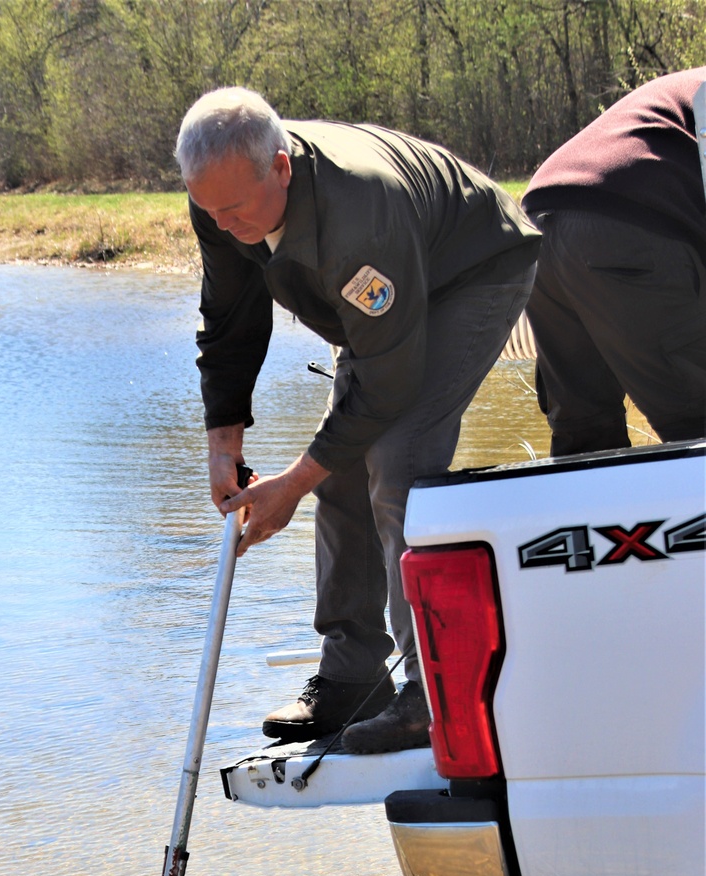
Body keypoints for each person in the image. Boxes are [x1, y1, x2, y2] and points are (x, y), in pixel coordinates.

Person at [176, 88, 540, 752]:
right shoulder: (222, 200)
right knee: (335, 470)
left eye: (234, 209)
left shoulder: (358, 214)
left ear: (281, 168)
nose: (223, 225)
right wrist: (222, 442)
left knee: (396, 457)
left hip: (472, 269)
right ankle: (350, 680)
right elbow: (230, 318)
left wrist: (290, 486)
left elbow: (389, 387)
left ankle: (427, 695)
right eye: (209, 210)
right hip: (388, 288)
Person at [523, 68, 706, 456]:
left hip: (540, 222)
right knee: (697, 428)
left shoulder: (686, 88)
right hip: (629, 224)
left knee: (584, 437)